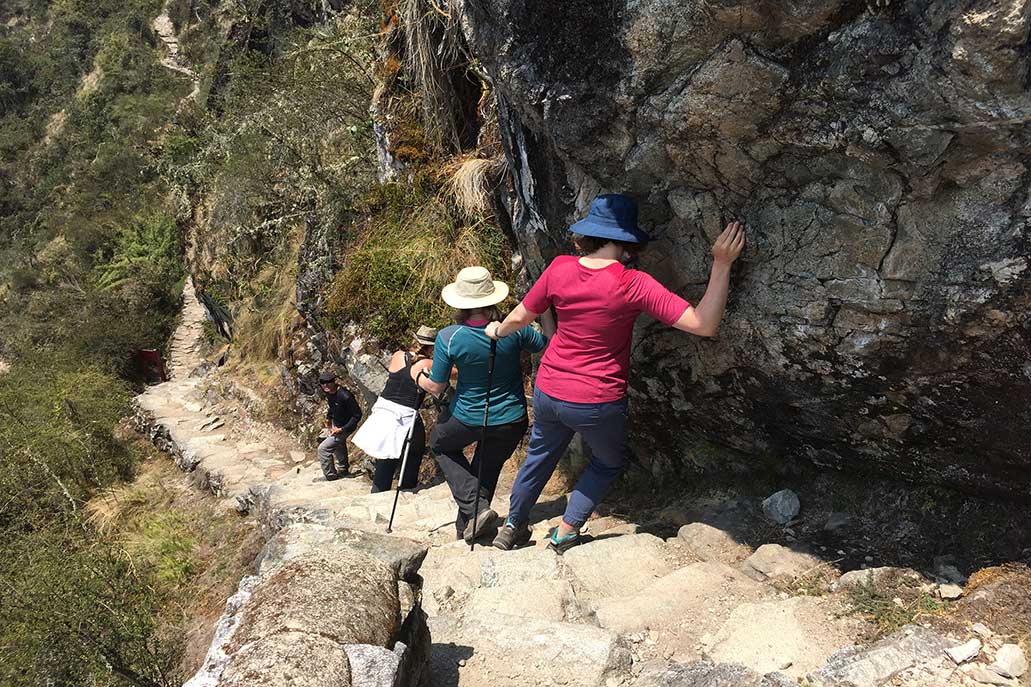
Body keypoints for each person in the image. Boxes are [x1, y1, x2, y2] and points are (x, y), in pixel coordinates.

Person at [487, 193, 745, 553]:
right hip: (596, 398)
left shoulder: (560, 267)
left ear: (590, 235)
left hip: (549, 387)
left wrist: (495, 332)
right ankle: (565, 531)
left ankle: (512, 526)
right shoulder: (632, 283)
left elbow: (519, 318)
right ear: (627, 243)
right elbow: (703, 324)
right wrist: (721, 263)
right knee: (609, 462)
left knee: (539, 456)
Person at [417, 266, 551, 542]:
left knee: (440, 444)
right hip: (512, 418)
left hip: (468, 416)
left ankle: (476, 513)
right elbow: (547, 344)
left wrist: (417, 374)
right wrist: (545, 309)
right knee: (485, 468)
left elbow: (438, 385)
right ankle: (469, 528)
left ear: (460, 304)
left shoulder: (448, 336)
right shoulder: (515, 329)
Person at [352, 326, 437, 493]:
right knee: (413, 452)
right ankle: (407, 488)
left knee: (385, 455)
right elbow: (453, 373)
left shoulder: (398, 355)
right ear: (432, 346)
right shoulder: (427, 363)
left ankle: (378, 492)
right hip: (405, 414)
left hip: (384, 410)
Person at [317, 371, 363, 481]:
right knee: (339, 446)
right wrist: (328, 418)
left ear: (334, 382)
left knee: (323, 449)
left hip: (345, 427)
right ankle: (343, 470)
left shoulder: (345, 396)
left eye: (328, 382)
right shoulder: (329, 393)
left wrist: (342, 429)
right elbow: (332, 406)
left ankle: (330, 475)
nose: (325, 385)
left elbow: (357, 415)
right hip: (336, 425)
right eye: (323, 383)